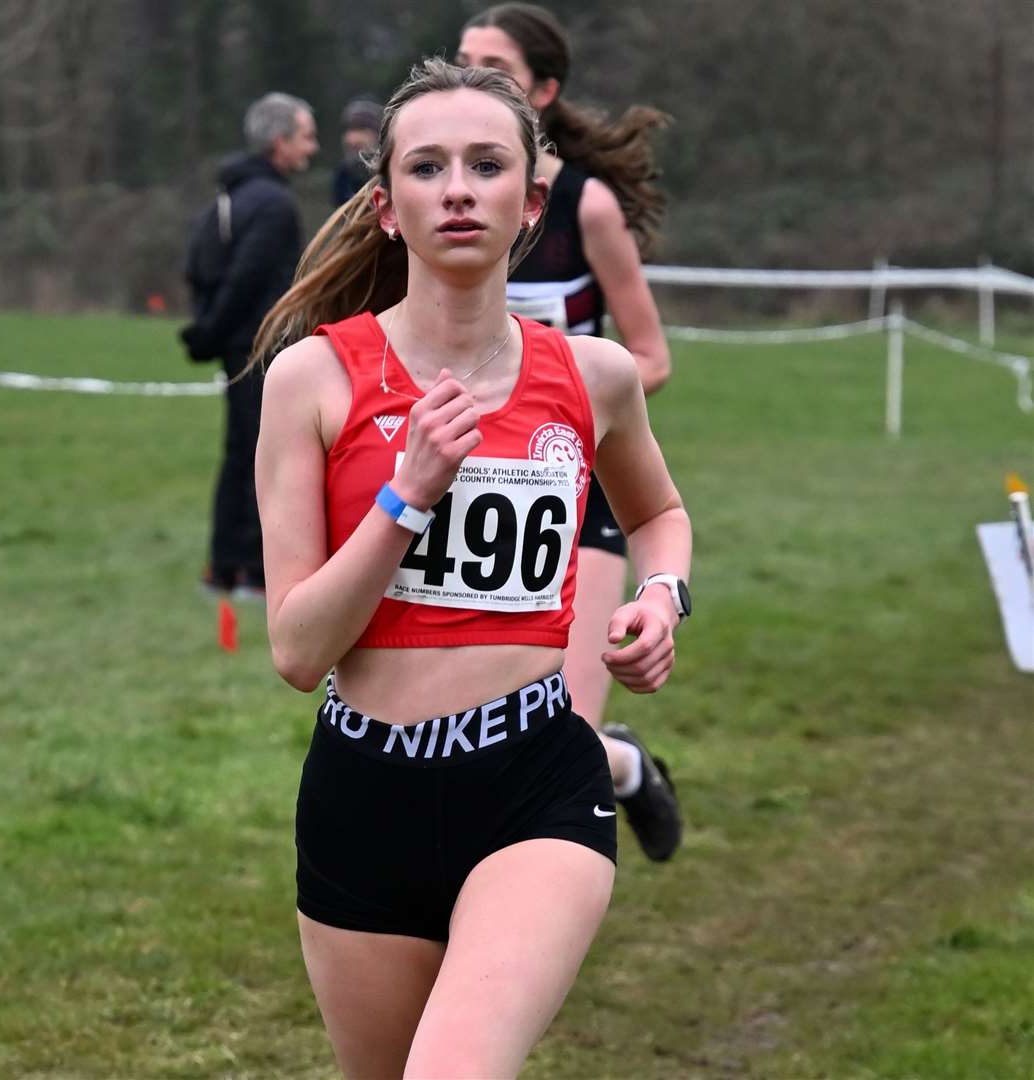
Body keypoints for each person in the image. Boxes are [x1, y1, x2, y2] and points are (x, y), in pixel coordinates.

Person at [253, 58, 692, 1078]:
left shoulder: (595, 377)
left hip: (534, 777)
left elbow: (660, 514)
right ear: (388, 207)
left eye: (487, 164)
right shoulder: (312, 380)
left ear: (531, 203)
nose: (458, 187)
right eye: (429, 166)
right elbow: (295, 647)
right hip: (363, 794)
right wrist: (405, 498)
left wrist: (663, 597)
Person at [458, 3, 683, 862]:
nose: (474, 75)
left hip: (571, 476)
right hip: (464, 479)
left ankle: (618, 766)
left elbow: (650, 355)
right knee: (472, 717)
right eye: (464, 59)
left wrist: (565, 394)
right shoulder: (446, 198)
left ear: (544, 91)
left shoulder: (583, 208)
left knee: (563, 730)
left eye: (498, 66)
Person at [180, 92, 319, 597]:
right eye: (306, 135)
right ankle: (253, 572)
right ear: (279, 142)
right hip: (260, 348)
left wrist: (207, 334)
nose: (313, 147)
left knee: (240, 450)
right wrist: (216, 332)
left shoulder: (232, 195)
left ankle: (225, 565)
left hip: (236, 345)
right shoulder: (275, 204)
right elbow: (247, 279)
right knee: (268, 457)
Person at [332, 97, 383, 206]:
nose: (351, 138)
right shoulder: (343, 174)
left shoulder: (390, 173)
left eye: (361, 130)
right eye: (350, 130)